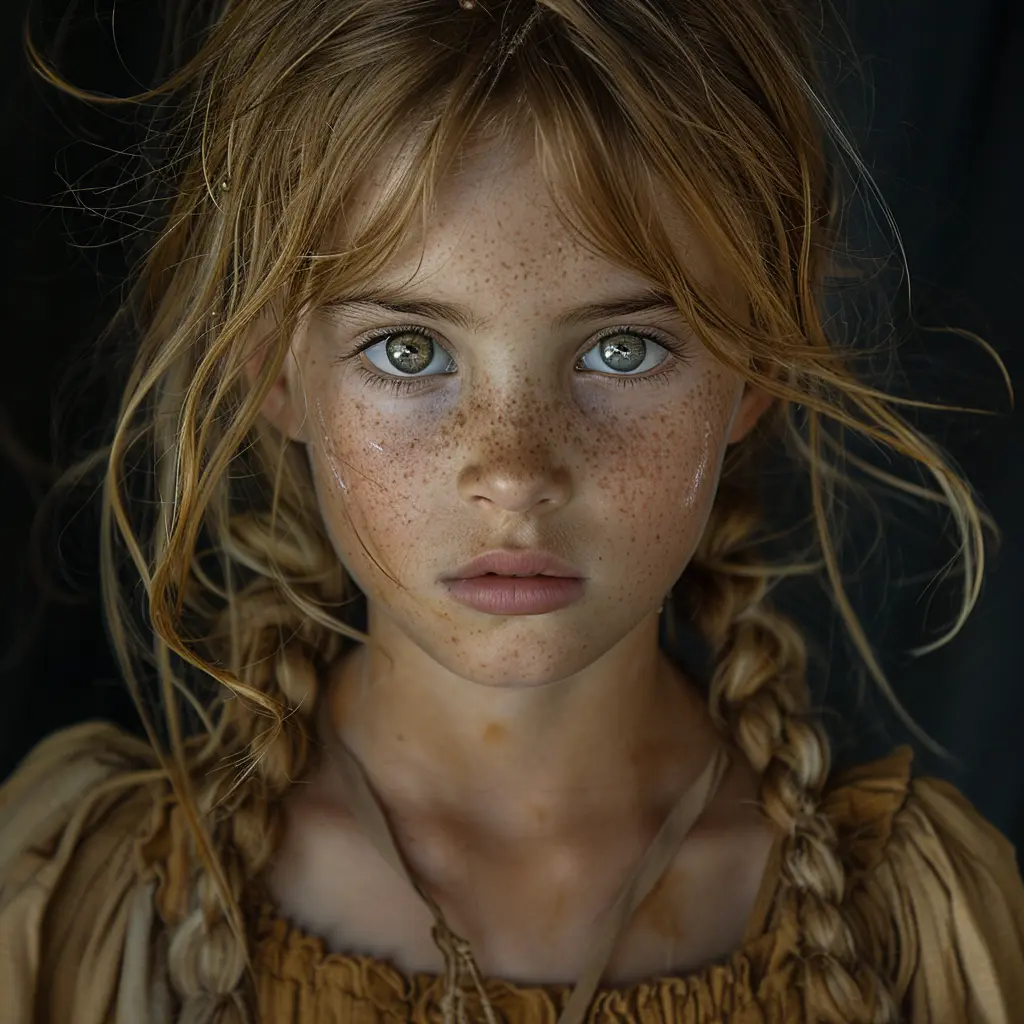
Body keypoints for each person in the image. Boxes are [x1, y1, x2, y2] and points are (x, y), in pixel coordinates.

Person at [2, 0, 1022, 1021]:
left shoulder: (923, 936)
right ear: (275, 370)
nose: (514, 471)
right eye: (409, 350)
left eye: (622, 349)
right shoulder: (82, 910)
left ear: (752, 369)